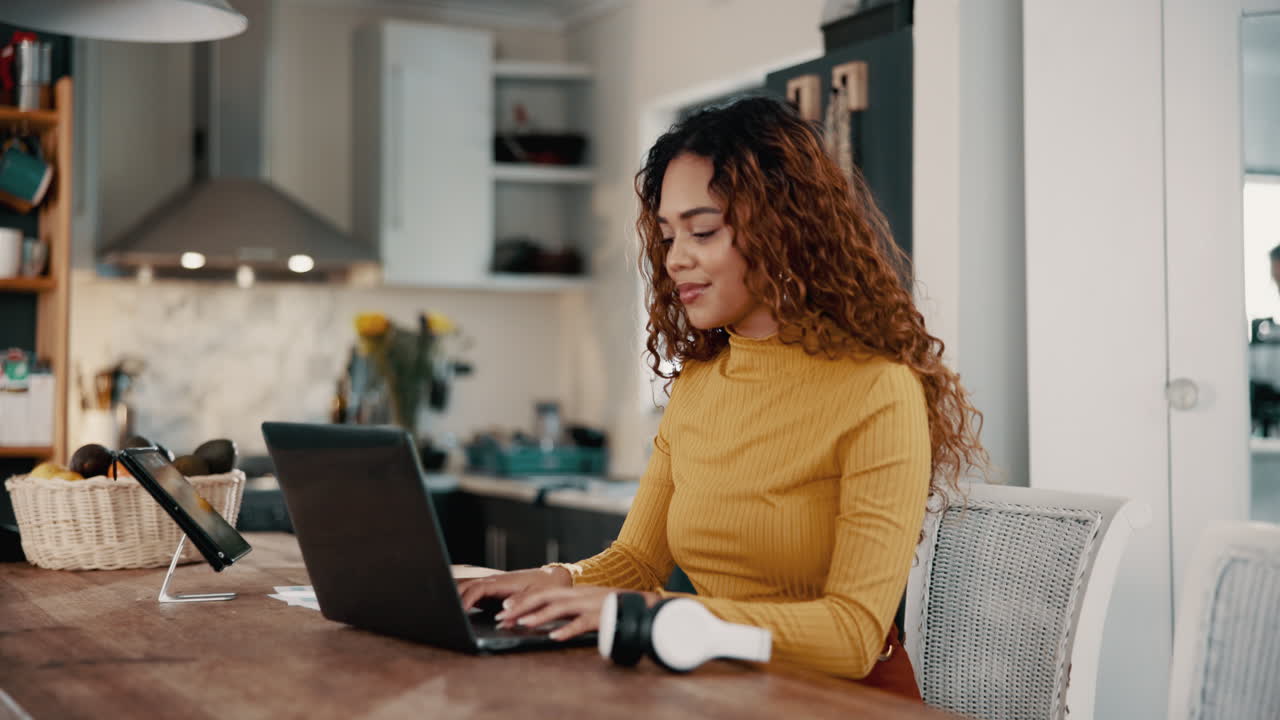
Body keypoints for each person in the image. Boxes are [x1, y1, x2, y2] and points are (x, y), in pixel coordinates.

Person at [458, 96, 987, 698]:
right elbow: (636, 560)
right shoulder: (700, 382)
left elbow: (852, 635)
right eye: (666, 234)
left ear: (782, 230)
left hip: (842, 700)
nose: (675, 258)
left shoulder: (877, 389)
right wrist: (550, 579)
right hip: (721, 686)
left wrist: (657, 618)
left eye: (702, 231)